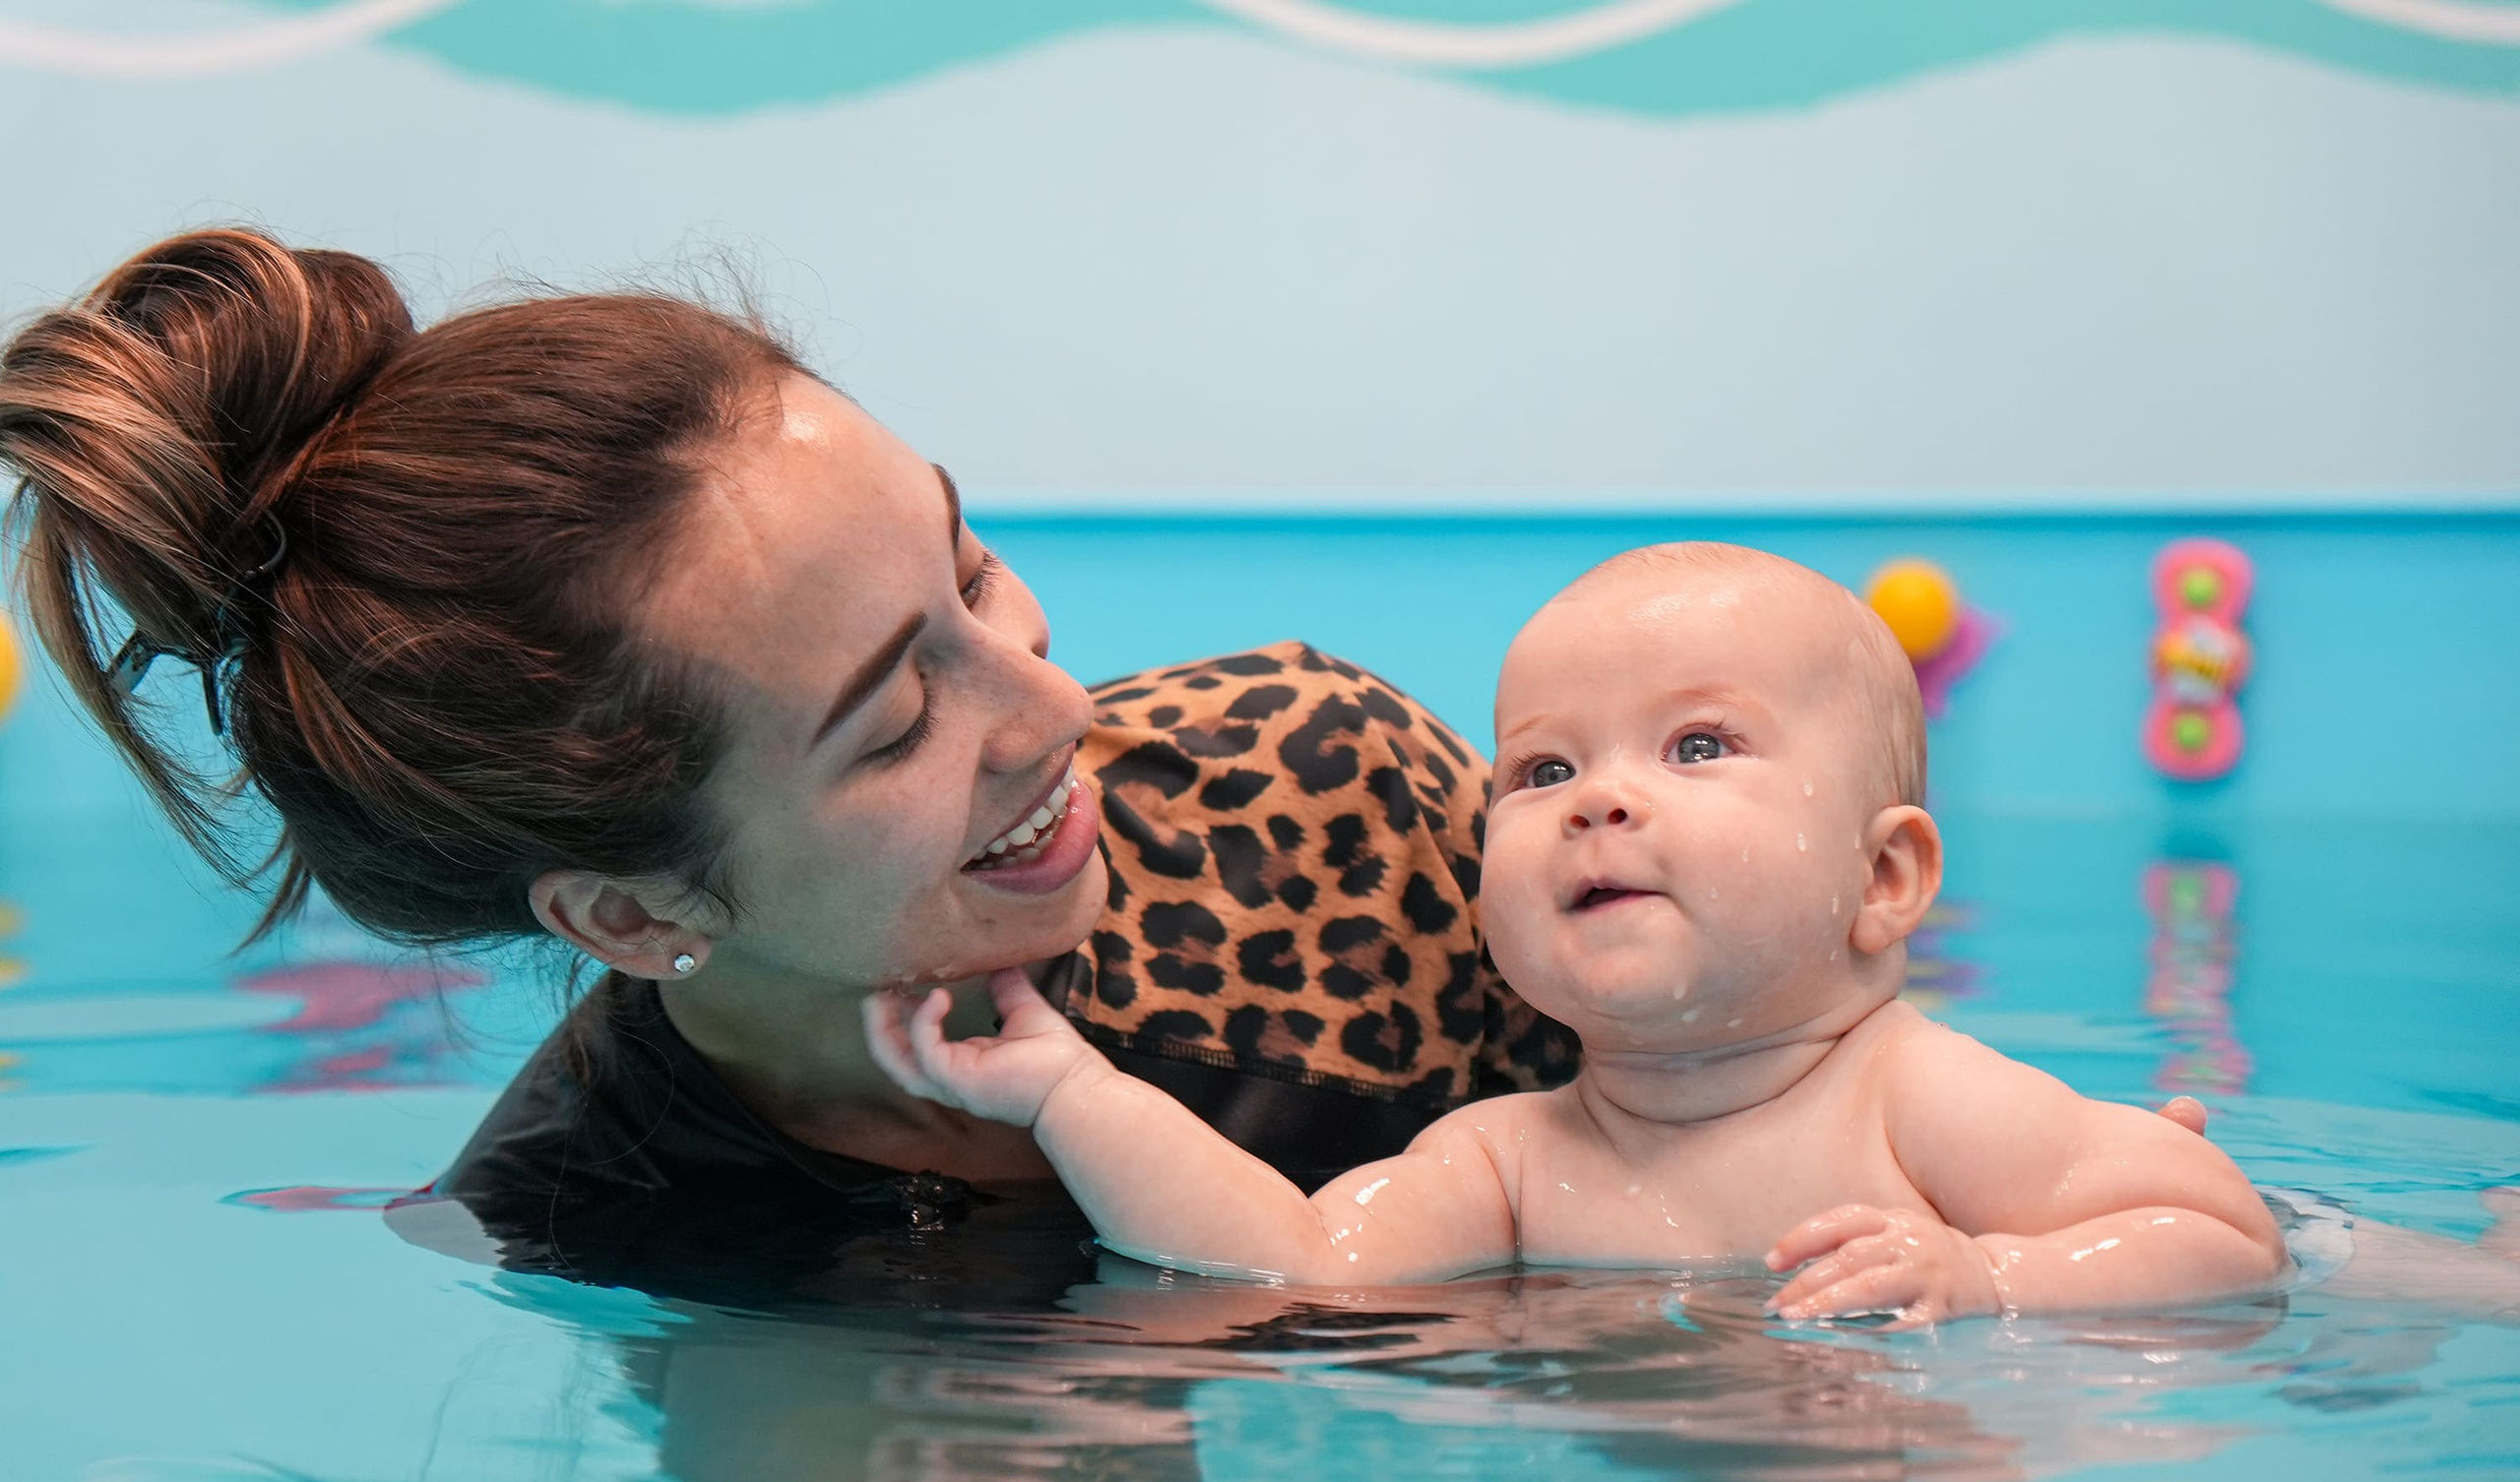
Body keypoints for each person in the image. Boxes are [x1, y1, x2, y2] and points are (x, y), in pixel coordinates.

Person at [0, 227, 1576, 1298]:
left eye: (969, 575)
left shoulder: (1316, 797)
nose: (1049, 707)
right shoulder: (602, 1223)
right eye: (895, 726)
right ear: (629, 916)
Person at [867, 544, 2299, 1322]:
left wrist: (1994, 1274)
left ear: (1886, 883)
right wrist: (1070, 1093)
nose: (1600, 802)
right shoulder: (1509, 1159)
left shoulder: (1919, 1102)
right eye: (1542, 772)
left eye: (1696, 746)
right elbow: (1292, 1258)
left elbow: (2221, 1234)